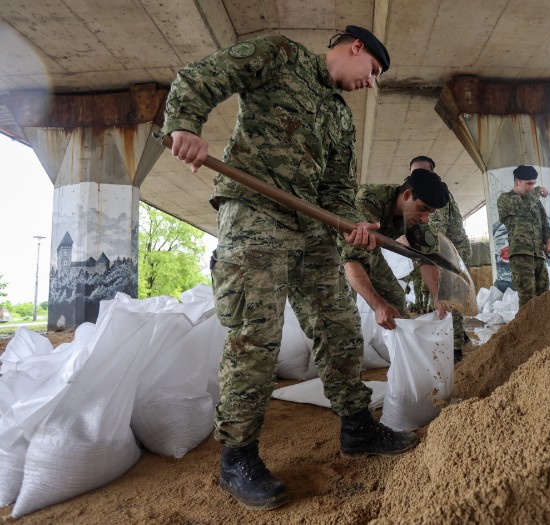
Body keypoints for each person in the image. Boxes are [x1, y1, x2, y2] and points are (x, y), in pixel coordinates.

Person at [161, 25, 419, 510]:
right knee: (255, 336)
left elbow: (339, 187)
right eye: (374, 70)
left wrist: (349, 224)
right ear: (355, 48)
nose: (373, 82)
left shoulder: (342, 120)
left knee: (340, 327)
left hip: (312, 233)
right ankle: (238, 457)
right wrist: (186, 125)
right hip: (254, 215)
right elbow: (202, 77)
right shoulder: (279, 55)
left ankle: (358, 427)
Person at [341, 169, 450, 330]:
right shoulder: (370, 199)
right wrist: (378, 305)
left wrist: (437, 296)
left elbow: (427, 257)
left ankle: (400, 349)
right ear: (407, 195)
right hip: (334, 248)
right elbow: (352, 259)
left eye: (430, 213)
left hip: (369, 250)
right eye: (423, 208)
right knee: (342, 309)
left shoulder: (415, 218)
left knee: (396, 299)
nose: (424, 218)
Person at [408, 155, 472, 361]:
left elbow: (434, 238)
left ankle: (454, 350)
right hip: (442, 250)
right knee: (445, 297)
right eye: (414, 173)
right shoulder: (418, 193)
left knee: (450, 296)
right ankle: (458, 335)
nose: (417, 177)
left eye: (422, 172)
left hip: (451, 253)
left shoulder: (434, 196)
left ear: (432, 174)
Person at [496, 165, 550, 308]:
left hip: (539, 255)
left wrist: (549, 241)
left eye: (534, 184)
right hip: (521, 256)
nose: (532, 187)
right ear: (517, 182)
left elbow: (545, 225)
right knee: (527, 299)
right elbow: (522, 209)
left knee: (544, 296)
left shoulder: (535, 202)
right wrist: (536, 192)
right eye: (529, 183)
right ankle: (526, 330)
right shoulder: (505, 199)